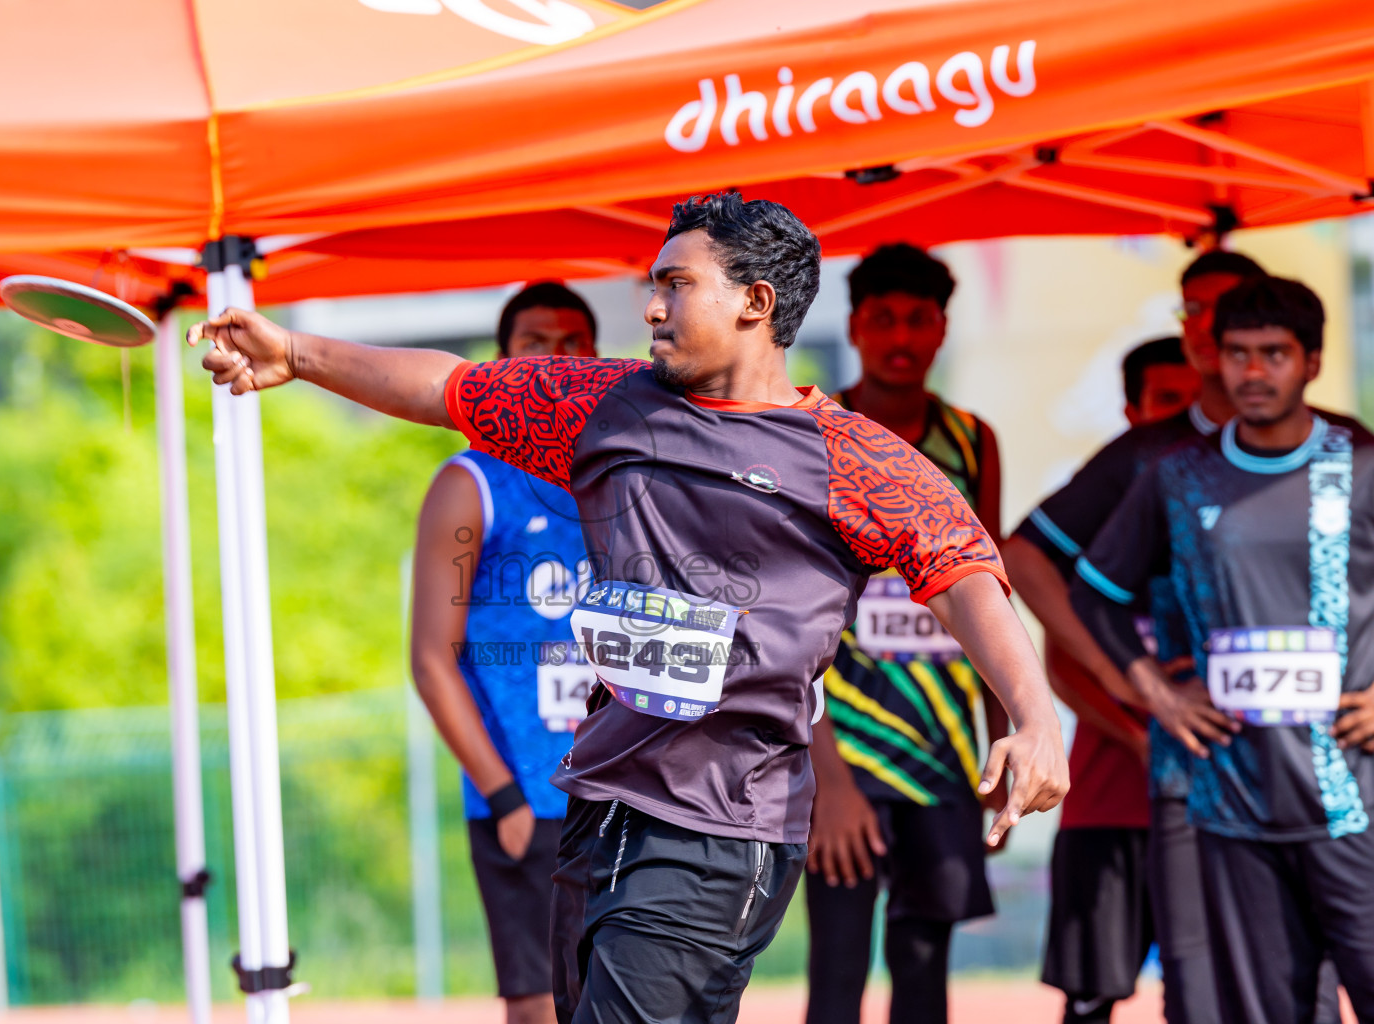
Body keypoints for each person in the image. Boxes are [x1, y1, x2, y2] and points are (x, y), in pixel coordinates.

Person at [189, 192, 1068, 1024]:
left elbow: (962, 568)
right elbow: (445, 386)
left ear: (755, 303)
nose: (651, 307)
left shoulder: (848, 458)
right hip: (600, 808)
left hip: (724, 824)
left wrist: (1033, 718)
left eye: (676, 285)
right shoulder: (609, 404)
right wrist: (297, 355)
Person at [1073, 276, 1374, 1024]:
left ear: (1312, 361)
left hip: (1354, 801)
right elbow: (1093, 591)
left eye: (1273, 354)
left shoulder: (1362, 467)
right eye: (1238, 354)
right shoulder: (1178, 475)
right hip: (1233, 805)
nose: (1253, 372)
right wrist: (1157, 692)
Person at [1002, 250, 1269, 1024]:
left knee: (1263, 977)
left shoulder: (1331, 447)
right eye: (1191, 307)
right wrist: (1133, 690)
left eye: (1222, 307)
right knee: (1128, 985)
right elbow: (1025, 563)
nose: (1205, 327)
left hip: (1274, 779)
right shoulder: (1150, 456)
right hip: (1133, 782)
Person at [804, 244, 1010, 1024]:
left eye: (917, 319)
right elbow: (791, 619)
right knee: (838, 976)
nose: (901, 335)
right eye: (882, 318)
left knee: (925, 975)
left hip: (944, 755)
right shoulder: (815, 430)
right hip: (844, 757)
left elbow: (988, 594)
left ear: (941, 328)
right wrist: (827, 781)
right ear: (854, 326)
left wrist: (1002, 743)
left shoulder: (971, 442)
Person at [410, 282, 597, 1024]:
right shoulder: (472, 484)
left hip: (627, 791)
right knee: (538, 1008)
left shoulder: (624, 475)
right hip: (529, 796)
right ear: (500, 363)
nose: (553, 358)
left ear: (596, 356)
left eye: (570, 342)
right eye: (533, 344)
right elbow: (431, 659)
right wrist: (503, 795)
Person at [1036, 337, 1198, 1024]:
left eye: (1196, 400)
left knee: (1202, 994)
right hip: (1108, 801)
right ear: (1133, 411)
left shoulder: (1236, 514)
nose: (1185, 418)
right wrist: (1136, 733)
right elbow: (1062, 663)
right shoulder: (1093, 522)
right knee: (1092, 998)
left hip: (1210, 811)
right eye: (1167, 401)